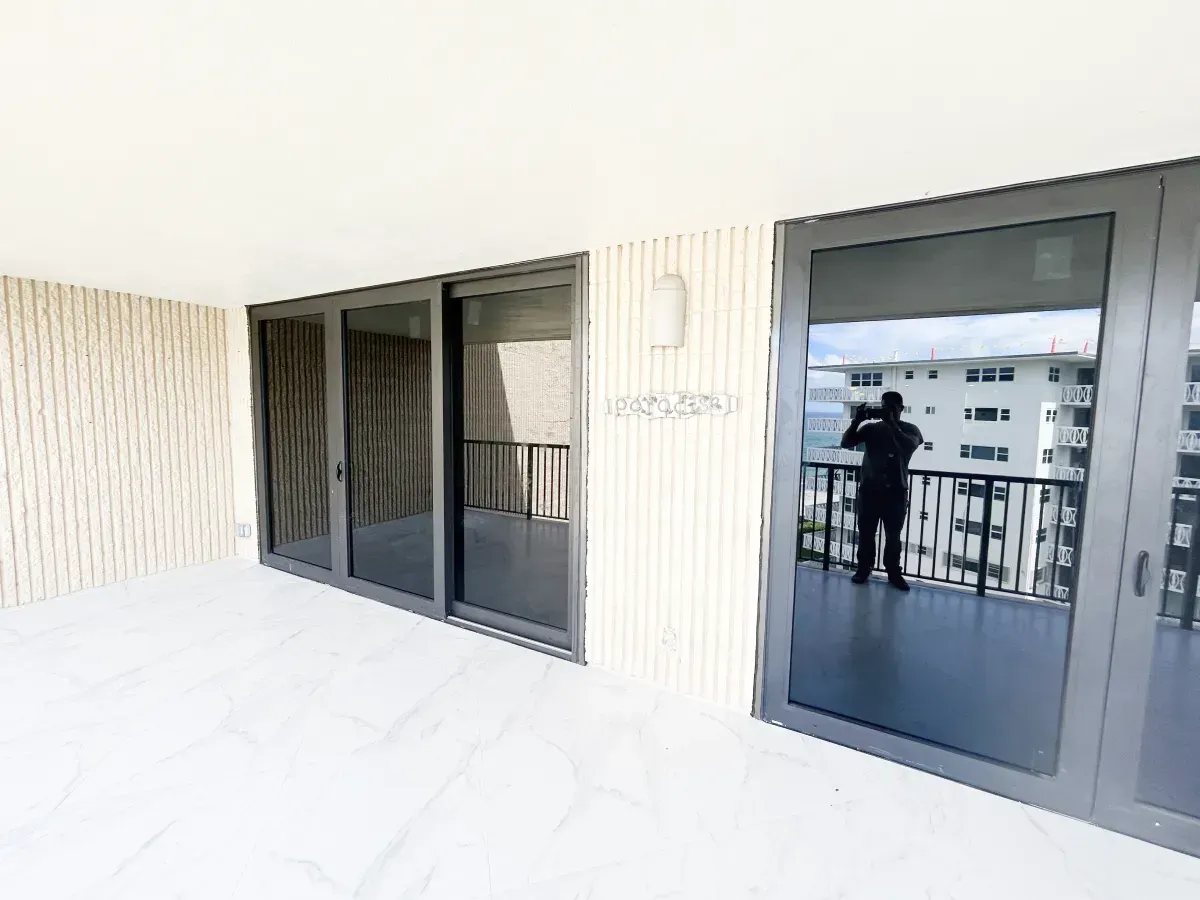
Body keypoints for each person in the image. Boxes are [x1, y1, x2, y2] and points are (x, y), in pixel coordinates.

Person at [840, 390, 923, 591]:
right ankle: (863, 568)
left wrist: (892, 424)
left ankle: (893, 572)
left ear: (901, 409)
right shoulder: (870, 429)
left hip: (895, 493)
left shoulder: (910, 429)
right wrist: (856, 421)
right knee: (866, 534)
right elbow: (846, 443)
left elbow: (909, 446)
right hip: (869, 492)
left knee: (893, 536)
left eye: (892, 408)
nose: (888, 411)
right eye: (885, 407)